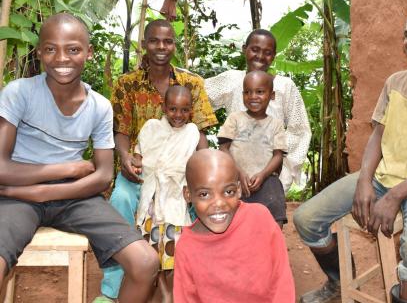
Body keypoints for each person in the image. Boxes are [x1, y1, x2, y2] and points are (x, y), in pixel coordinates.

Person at [293, 4, 407, 303]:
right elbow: (377, 136)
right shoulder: (395, 82)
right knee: (306, 217)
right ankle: (338, 282)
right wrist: (365, 181)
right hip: (382, 176)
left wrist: (394, 197)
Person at [0, 13, 159, 302]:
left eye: (73, 49)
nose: (61, 58)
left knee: (146, 262)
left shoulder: (99, 106)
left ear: (88, 52)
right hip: (16, 197)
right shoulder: (19, 93)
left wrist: (41, 192)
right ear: (40, 53)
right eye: (51, 48)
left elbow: (101, 177)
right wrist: (68, 167)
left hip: (71, 196)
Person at [96, 19, 217, 302]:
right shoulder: (126, 85)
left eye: (168, 41)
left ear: (175, 44)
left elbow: (199, 134)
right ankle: (113, 287)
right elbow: (121, 131)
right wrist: (126, 158)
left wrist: (202, 174)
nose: (161, 47)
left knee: (200, 203)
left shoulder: (192, 84)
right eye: (154, 41)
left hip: (180, 175)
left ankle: (196, 282)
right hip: (138, 172)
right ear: (144, 44)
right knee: (121, 202)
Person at [174, 149, 295, 303]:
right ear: (188, 194)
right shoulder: (186, 247)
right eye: (204, 194)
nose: (218, 203)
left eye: (228, 192)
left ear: (238, 190)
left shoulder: (260, 219)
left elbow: (282, 281)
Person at [205, 29, 311, 192]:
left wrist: (282, 170)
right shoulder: (232, 80)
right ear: (244, 49)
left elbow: (299, 130)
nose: (260, 56)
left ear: (274, 56)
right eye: (255, 49)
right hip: (235, 173)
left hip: (271, 175)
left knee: (268, 215)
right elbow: (198, 96)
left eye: (267, 52)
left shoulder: (284, 86)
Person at [134, 85, 203, 303]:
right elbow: (140, 153)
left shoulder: (192, 133)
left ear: (190, 110)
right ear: (164, 108)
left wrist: (191, 185)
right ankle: (162, 291)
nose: (178, 115)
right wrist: (136, 161)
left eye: (184, 110)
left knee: (175, 251)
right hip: (152, 201)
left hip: (175, 199)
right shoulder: (151, 127)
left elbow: (198, 164)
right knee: (153, 251)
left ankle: (173, 292)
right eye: (173, 109)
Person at [218, 71, 288, 227]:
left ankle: (272, 245)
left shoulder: (275, 125)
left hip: (265, 180)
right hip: (235, 179)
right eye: (247, 92)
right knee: (234, 219)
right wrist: (238, 172)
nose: (253, 96)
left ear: (272, 95)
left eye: (260, 92)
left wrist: (262, 175)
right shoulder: (235, 119)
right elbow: (223, 148)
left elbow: (278, 155)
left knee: (274, 209)